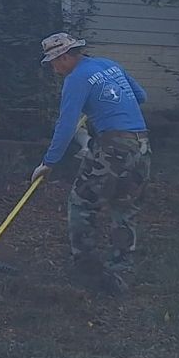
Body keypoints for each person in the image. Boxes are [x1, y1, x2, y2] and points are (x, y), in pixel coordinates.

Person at [30, 33, 150, 294]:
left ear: (64, 57)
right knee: (124, 208)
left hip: (114, 146)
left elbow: (65, 126)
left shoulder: (76, 79)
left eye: (54, 63)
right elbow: (141, 96)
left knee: (82, 203)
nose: (54, 69)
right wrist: (101, 105)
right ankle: (120, 271)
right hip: (141, 144)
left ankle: (86, 269)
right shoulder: (109, 64)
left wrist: (48, 162)